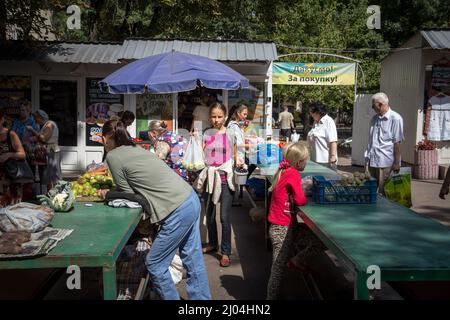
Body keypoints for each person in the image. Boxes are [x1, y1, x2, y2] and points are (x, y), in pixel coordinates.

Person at [98, 119, 211, 300]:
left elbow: (128, 195)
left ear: (104, 139)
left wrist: (109, 194)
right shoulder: (136, 149)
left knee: (155, 264)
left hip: (176, 210)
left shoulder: (112, 156)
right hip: (190, 198)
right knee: (192, 259)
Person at [194, 102, 235, 267]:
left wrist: (238, 161)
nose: (216, 120)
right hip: (209, 178)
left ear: (224, 116)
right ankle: (212, 243)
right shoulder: (205, 132)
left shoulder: (231, 133)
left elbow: (238, 154)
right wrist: (196, 142)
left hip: (226, 179)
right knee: (209, 216)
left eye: (219, 116)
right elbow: (201, 154)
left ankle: (225, 252)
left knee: (224, 217)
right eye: (213, 116)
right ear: (209, 117)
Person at [266, 142, 309, 300]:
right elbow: (300, 200)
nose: (306, 163)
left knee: (315, 240)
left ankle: (297, 260)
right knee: (278, 269)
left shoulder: (284, 170)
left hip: (281, 227)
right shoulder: (293, 174)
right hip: (282, 229)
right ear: (299, 162)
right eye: (305, 160)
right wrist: (305, 195)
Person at [364, 92, 404, 194]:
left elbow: (397, 143)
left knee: (384, 192)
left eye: (373, 105)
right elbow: (371, 140)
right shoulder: (375, 119)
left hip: (385, 162)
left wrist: (396, 163)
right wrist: (367, 158)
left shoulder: (396, 118)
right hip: (372, 160)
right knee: (370, 190)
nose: (372, 108)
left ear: (380, 104)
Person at [27, 110, 61, 191]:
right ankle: (49, 193)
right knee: (47, 173)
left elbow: (43, 138)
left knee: (52, 173)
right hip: (48, 151)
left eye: (36, 118)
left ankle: (55, 193)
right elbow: (40, 137)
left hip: (52, 151)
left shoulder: (49, 124)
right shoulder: (45, 125)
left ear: (40, 117)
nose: (35, 121)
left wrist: (32, 131)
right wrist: (31, 139)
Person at [0, 109, 27, 204]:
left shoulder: (10, 134)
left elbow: (22, 154)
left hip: (11, 177)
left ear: (2, 120)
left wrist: (8, 155)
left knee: (12, 210)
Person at [226, 104, 250, 206]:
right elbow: (236, 143)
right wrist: (248, 145)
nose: (245, 116)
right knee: (233, 179)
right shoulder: (233, 126)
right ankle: (233, 200)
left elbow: (238, 140)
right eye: (244, 114)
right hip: (235, 155)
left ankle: (234, 199)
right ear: (238, 113)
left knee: (235, 178)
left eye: (246, 114)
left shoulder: (237, 125)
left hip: (238, 155)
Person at [307, 102, 338, 168]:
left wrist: (333, 157)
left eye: (311, 112)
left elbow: (333, 141)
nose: (310, 114)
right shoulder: (315, 122)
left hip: (325, 161)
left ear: (318, 112)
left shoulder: (328, 121)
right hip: (314, 159)